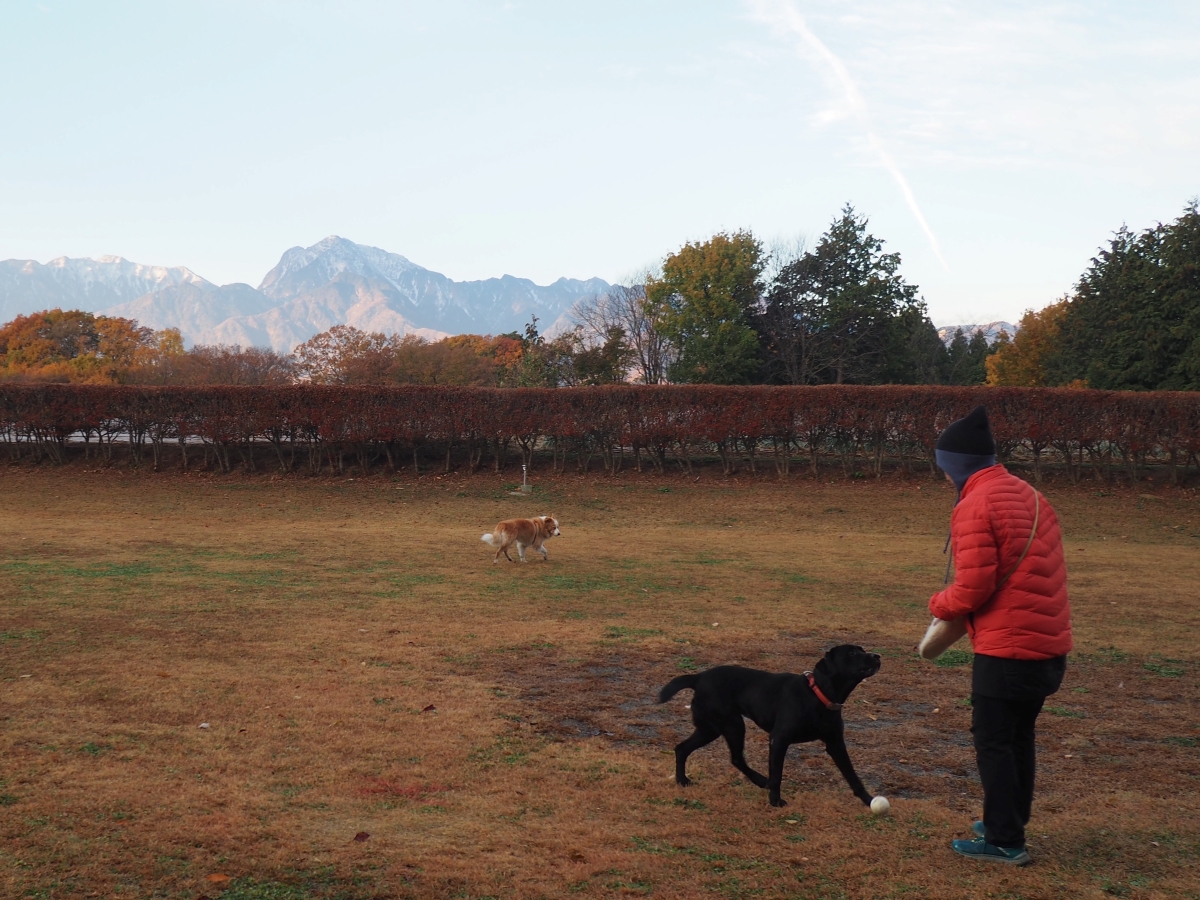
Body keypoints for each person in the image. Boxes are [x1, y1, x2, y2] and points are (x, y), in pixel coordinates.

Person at [928, 405, 1072, 866]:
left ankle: (1005, 839)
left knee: (993, 740)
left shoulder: (975, 505)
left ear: (955, 466)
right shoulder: (1030, 494)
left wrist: (938, 606)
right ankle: (1008, 818)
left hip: (1007, 649)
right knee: (1017, 736)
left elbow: (972, 589)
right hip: (1046, 647)